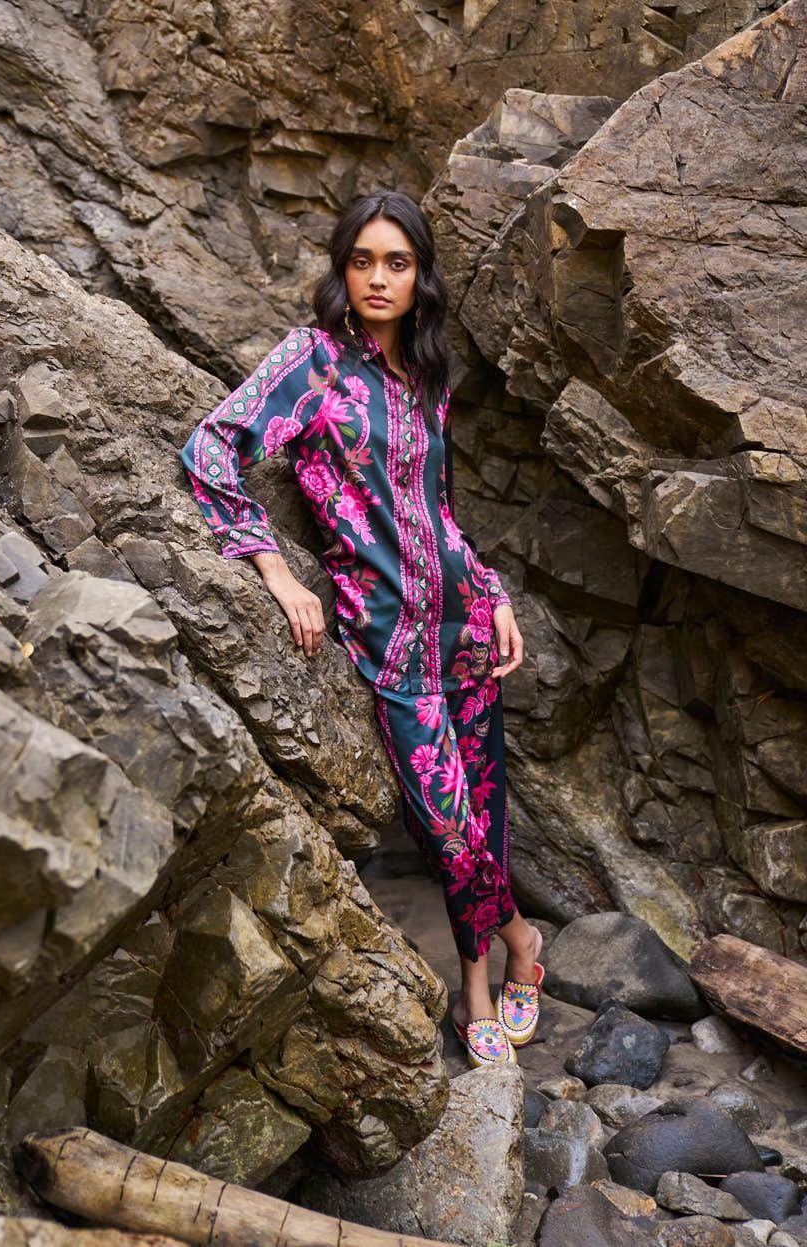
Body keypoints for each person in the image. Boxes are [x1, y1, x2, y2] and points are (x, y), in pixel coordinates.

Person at [179, 190, 545, 1068]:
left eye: (398, 263)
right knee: (448, 829)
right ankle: (523, 940)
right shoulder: (311, 362)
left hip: (466, 630)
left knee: (484, 814)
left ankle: (478, 984)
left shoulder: (426, 379)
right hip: (390, 646)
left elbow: (439, 513)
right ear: (343, 269)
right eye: (363, 261)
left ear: (421, 279)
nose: (379, 278)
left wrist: (493, 591)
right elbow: (211, 448)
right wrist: (272, 569)